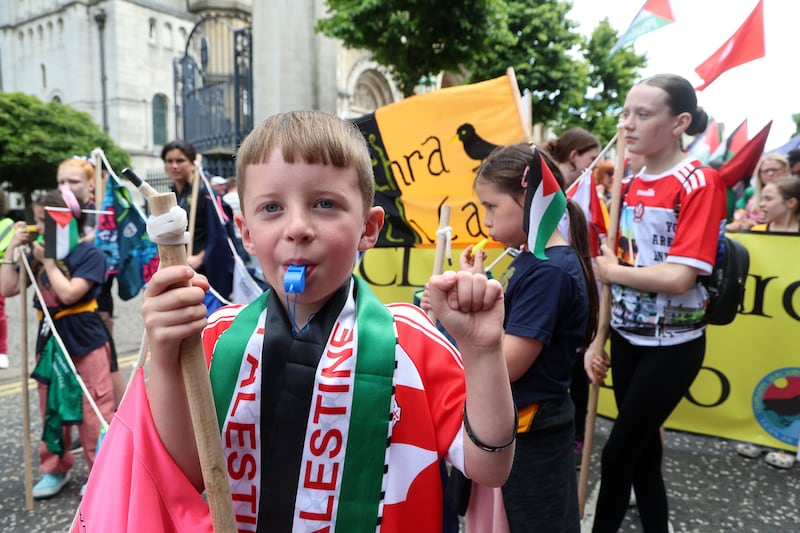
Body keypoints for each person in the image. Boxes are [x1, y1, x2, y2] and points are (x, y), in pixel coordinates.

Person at [83, 110, 517, 531]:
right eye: (271, 208)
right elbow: (182, 472)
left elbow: (489, 466)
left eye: (324, 204)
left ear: (368, 228)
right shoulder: (213, 336)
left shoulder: (414, 339)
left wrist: (482, 350)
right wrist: (165, 352)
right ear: (246, 232)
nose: (297, 228)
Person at [586, 74, 727, 532]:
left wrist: (613, 272)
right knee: (645, 457)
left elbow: (680, 275)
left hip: (674, 344)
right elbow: (617, 274)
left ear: (679, 121)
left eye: (643, 115)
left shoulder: (700, 181)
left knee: (618, 451)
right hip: (626, 338)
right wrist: (598, 340)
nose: (627, 124)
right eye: (625, 113)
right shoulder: (627, 180)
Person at [458, 143, 598, 532]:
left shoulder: (549, 271)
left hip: (528, 434)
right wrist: (478, 286)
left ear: (527, 199)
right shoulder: (534, 261)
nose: (484, 219)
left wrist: (455, 331)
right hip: (515, 429)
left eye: (490, 206)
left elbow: (508, 365)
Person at [0, 188, 115, 499]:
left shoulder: (90, 254)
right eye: (40, 221)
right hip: (49, 340)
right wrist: (13, 250)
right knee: (51, 406)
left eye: (51, 222)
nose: (43, 229)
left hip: (86, 336)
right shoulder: (36, 254)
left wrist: (48, 262)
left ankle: (101, 472)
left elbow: (68, 293)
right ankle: (54, 468)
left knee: (94, 408)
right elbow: (7, 288)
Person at [56, 156, 124, 406]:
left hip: (95, 297)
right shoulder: (58, 215)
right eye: (60, 181)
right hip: (61, 305)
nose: (65, 187)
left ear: (90, 184)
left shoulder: (101, 213)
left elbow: (104, 243)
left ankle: (117, 420)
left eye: (73, 181)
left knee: (107, 359)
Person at [160, 140, 207, 271]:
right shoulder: (171, 196)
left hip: (201, 267)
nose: (174, 166)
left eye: (180, 161)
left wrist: (201, 257)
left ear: (192, 164)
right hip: (178, 264)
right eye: (169, 161)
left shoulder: (204, 193)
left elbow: (219, 234)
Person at [727, 153, 790, 232]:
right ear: (759, 174)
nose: (770, 174)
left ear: (786, 171)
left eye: (775, 170)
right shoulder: (752, 197)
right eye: (765, 171)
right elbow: (740, 221)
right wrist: (747, 225)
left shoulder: (795, 196)